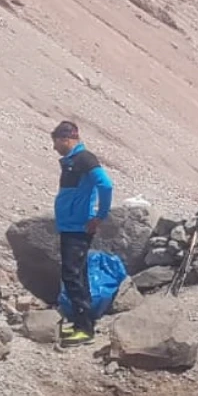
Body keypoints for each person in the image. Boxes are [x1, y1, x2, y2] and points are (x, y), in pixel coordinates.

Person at [51, 121, 113, 345]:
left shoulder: (84, 158)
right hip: (69, 226)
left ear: (66, 139)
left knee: (71, 274)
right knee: (78, 274)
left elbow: (105, 185)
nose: (55, 147)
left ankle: (84, 329)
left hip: (78, 228)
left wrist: (100, 215)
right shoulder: (71, 162)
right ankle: (83, 322)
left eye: (56, 141)